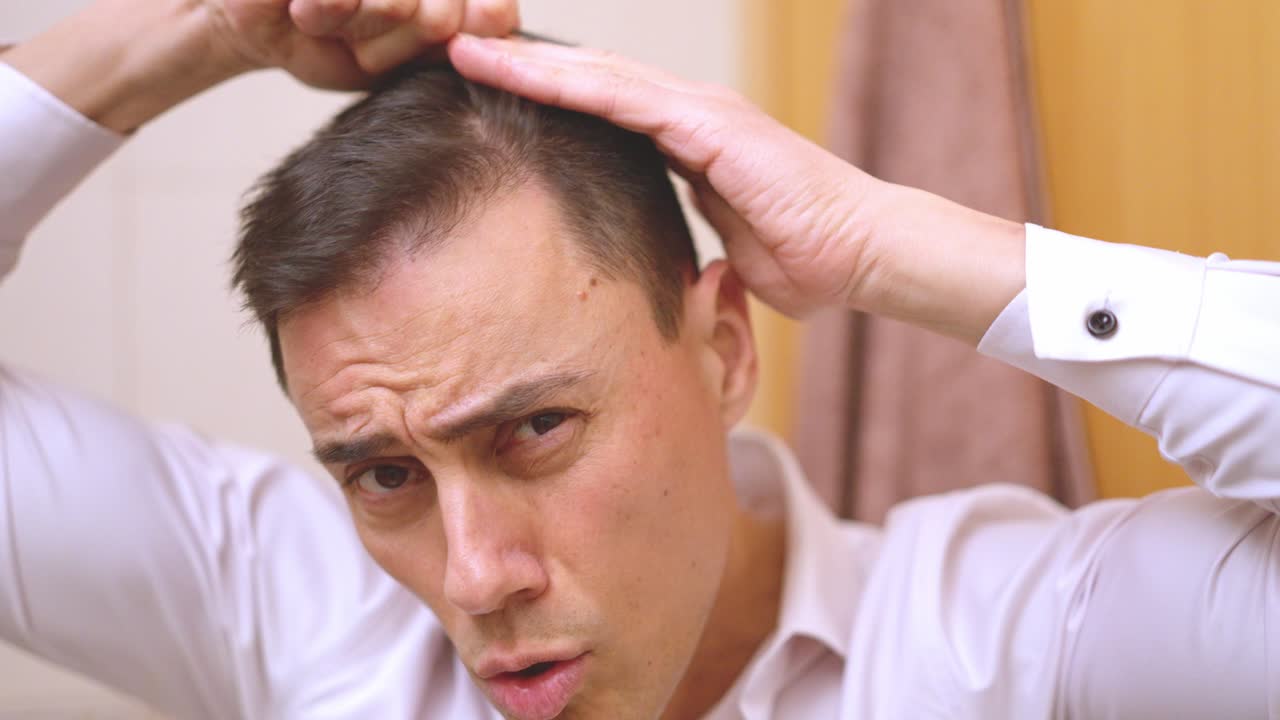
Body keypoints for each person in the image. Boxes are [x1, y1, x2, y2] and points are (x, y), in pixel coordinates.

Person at [2, 3, 1277, 720]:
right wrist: (201, 28)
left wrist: (891, 244)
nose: (472, 577)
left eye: (535, 429)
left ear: (725, 347)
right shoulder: (285, 602)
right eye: (384, 473)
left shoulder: (1011, 643)